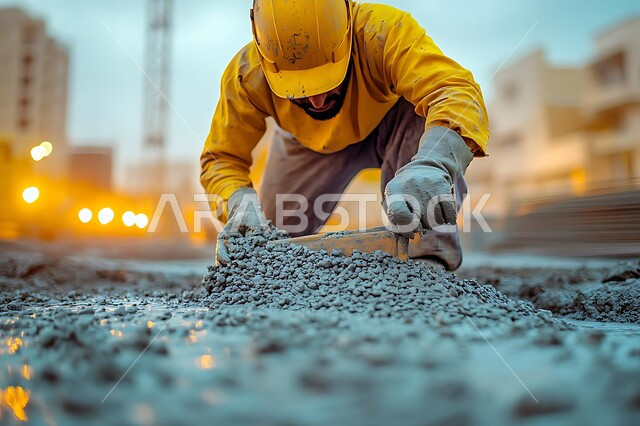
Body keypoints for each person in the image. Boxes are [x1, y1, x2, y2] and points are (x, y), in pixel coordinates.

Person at [201, 0, 489, 270]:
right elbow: (221, 158)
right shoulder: (245, 76)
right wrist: (236, 201)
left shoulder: (383, 32)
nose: (316, 102)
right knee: (267, 244)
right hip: (305, 144)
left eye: (328, 78)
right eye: (298, 89)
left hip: (397, 123)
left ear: (349, 29)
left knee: (426, 124)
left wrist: (434, 161)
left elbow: (455, 93)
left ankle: (427, 260)